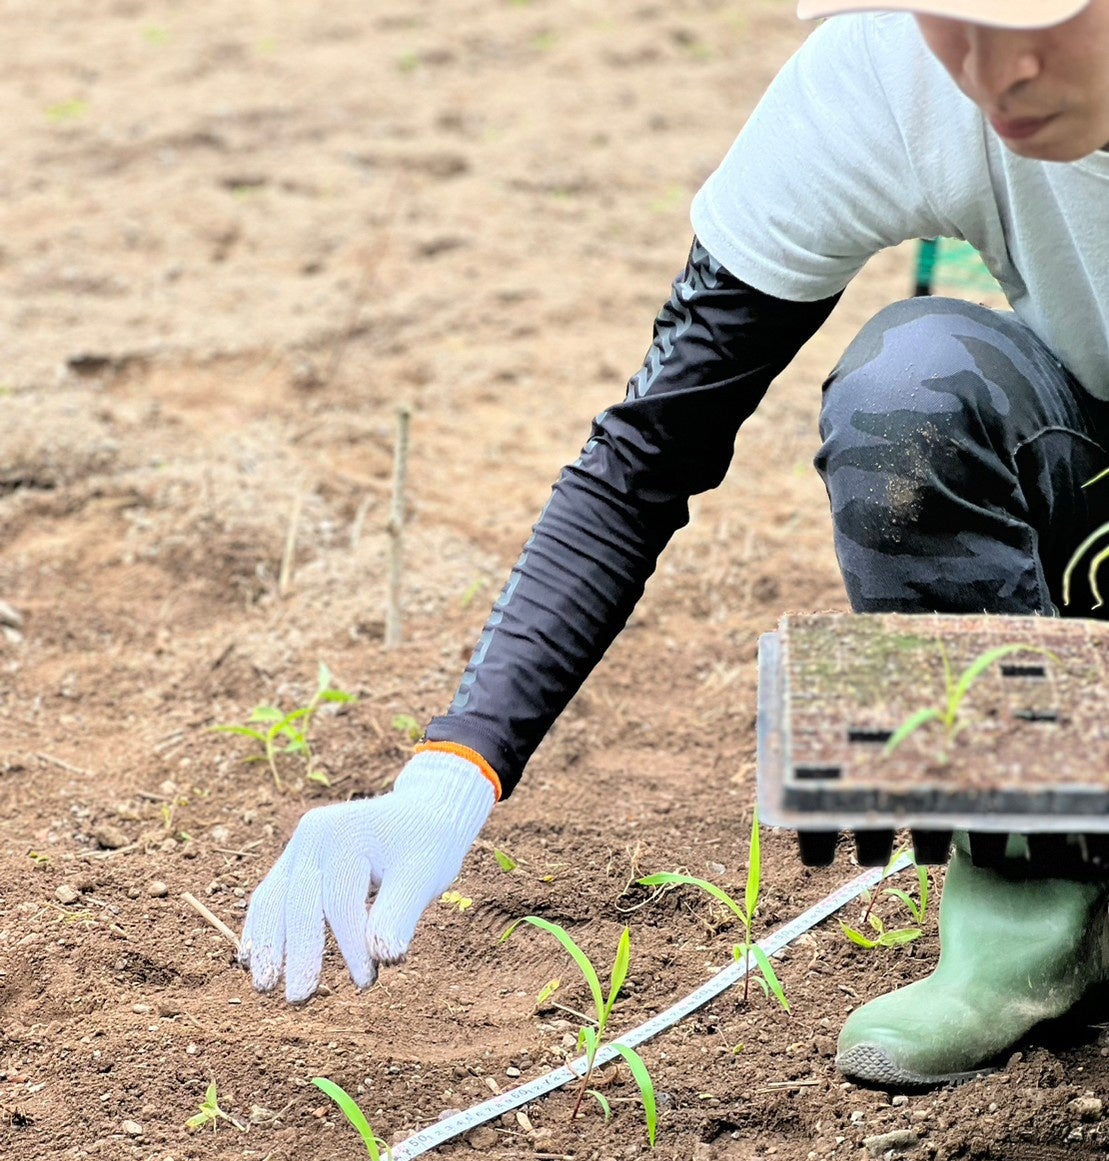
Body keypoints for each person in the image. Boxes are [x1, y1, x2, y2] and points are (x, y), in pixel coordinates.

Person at [240, 0, 1109, 1089]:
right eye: (950, 19)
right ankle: (1035, 907)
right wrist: (448, 776)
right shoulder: (891, 79)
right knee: (910, 394)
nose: (992, 71)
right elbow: (646, 452)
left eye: (1038, 19)